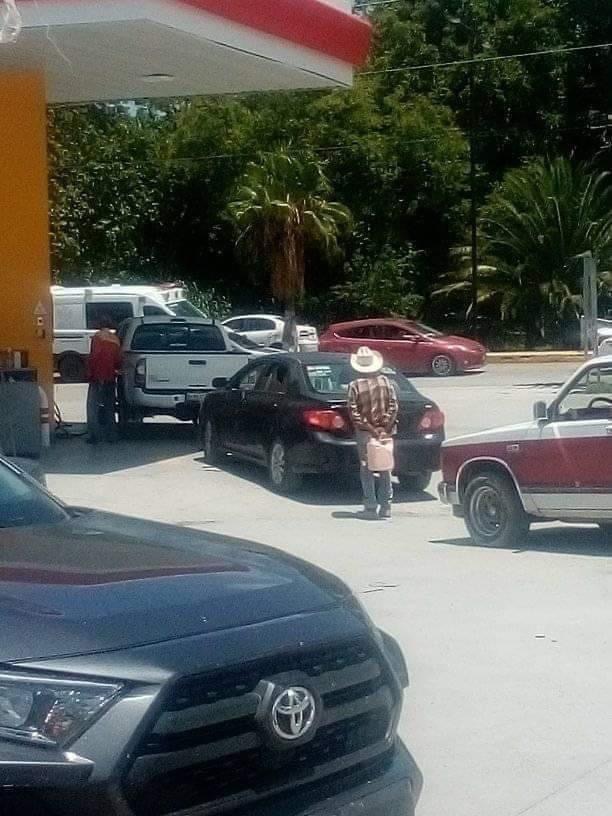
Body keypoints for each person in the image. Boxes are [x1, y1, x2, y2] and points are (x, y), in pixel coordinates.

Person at [348, 346, 399, 520]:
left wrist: (371, 428)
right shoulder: (386, 382)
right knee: (384, 467)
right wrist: (383, 427)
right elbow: (394, 406)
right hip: (385, 433)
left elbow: (354, 413)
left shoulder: (354, 386)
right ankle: (386, 507)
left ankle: (370, 507)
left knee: (367, 469)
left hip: (365, 434)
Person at [86, 316, 122, 444]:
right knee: (109, 407)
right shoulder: (115, 339)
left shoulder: (97, 337)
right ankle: (111, 436)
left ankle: (94, 436)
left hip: (97, 377)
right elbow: (118, 361)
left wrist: (90, 373)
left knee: (92, 407)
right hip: (110, 377)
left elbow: (94, 357)